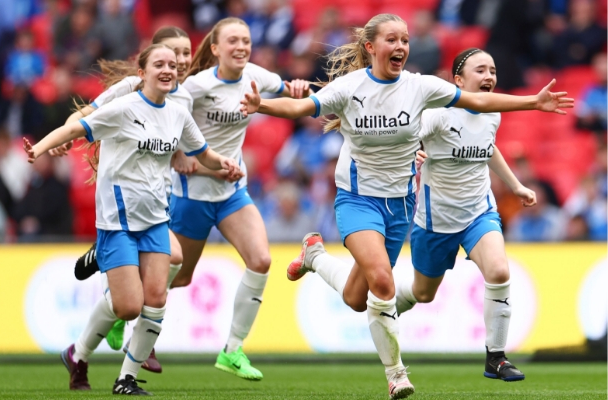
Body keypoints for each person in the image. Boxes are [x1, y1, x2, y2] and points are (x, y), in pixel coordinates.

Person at [239, 13, 573, 399]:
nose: (400, 47)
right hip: (358, 199)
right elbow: (301, 110)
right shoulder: (350, 87)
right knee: (382, 281)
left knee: (354, 298)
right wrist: (261, 105)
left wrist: (534, 101)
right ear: (370, 47)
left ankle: (314, 256)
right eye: (392, 40)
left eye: (405, 40)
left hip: (400, 203)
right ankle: (397, 375)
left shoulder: (420, 87)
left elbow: (479, 103)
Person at [24, 43, 240, 395]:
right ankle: (77, 353)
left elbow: (202, 152)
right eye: (160, 64)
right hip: (118, 222)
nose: (169, 69)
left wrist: (224, 164)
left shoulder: (178, 113)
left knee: (156, 300)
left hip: (155, 220)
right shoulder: (123, 108)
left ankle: (126, 379)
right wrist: (39, 148)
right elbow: (76, 129)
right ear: (142, 73)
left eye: (173, 64)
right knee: (128, 307)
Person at [166, 17, 311, 381]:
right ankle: (123, 307)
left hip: (232, 192)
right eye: (232, 41)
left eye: (245, 40)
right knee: (178, 279)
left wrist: (296, 88)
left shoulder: (257, 77)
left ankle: (232, 349)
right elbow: (163, 120)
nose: (241, 47)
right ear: (215, 48)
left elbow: (288, 87)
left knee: (261, 260)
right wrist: (177, 157)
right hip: (192, 195)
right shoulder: (196, 86)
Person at [51, 26, 196, 372]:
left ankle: (82, 351)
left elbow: (182, 142)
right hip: (122, 195)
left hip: (155, 199)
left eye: (186, 54)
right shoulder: (130, 89)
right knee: (170, 261)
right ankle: (137, 336)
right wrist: (63, 137)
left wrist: (185, 157)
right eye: (174, 54)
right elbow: (86, 115)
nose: (182, 61)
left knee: (134, 294)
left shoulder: (184, 97)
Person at [393, 48, 536, 382]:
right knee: (423, 294)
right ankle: (383, 309)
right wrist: (412, 154)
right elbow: (407, 138)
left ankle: (495, 358)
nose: (489, 77)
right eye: (480, 70)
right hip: (435, 222)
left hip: (478, 213)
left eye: (493, 70)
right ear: (458, 80)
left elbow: (487, 146)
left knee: (499, 271)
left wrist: (514, 185)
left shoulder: (493, 112)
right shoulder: (439, 113)